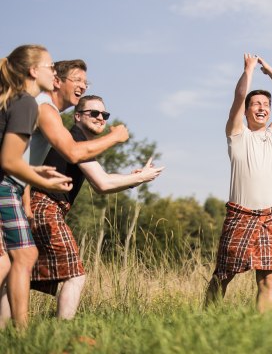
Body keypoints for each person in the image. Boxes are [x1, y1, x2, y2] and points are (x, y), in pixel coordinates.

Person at [1, 58, 130, 324]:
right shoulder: (48, 111)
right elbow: (95, 176)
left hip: (19, 192)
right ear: (57, 81)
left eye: (104, 115)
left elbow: (22, 159)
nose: (82, 85)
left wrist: (27, 194)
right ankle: (59, 331)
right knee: (70, 273)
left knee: (15, 268)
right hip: (36, 201)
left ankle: (16, 337)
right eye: (77, 80)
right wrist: (115, 138)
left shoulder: (50, 115)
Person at [28, 95, 164, 319]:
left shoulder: (79, 142)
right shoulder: (75, 141)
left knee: (20, 275)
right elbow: (102, 183)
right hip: (45, 207)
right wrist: (141, 179)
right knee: (75, 275)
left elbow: (104, 178)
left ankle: (11, 330)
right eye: (94, 113)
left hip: (42, 207)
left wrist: (132, 178)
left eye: (104, 115)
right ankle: (61, 332)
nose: (101, 118)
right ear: (78, 116)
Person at [205, 53, 272, 313]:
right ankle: (205, 320)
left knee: (268, 279)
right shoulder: (237, 134)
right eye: (255, 104)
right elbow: (238, 95)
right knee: (223, 274)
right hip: (240, 214)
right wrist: (249, 70)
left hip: (270, 216)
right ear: (246, 111)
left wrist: (269, 69)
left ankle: (261, 332)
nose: (262, 107)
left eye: (265, 103)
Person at [0, 44, 73, 329]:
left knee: (10, 259)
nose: (54, 72)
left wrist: (31, 169)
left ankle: (16, 333)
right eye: (50, 67)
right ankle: (21, 333)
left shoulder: (13, 100)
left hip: (7, 183)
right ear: (33, 71)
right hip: (4, 187)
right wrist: (41, 180)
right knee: (24, 254)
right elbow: (8, 160)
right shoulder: (26, 103)